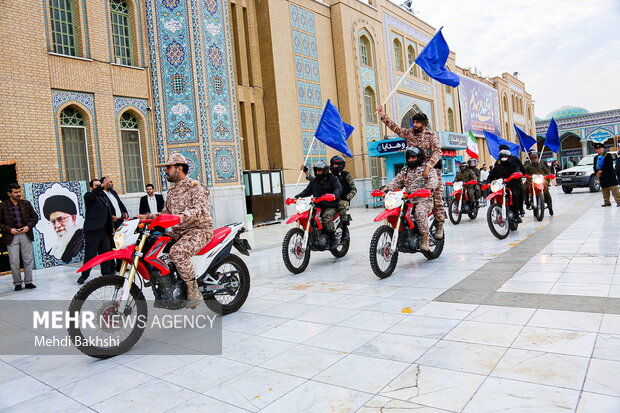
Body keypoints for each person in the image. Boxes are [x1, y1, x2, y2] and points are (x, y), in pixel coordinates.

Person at [148, 153, 213, 308]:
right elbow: (165, 214)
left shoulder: (195, 186)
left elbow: (199, 209)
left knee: (177, 252)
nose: (165, 171)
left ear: (179, 168)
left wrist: (181, 216)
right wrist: (147, 217)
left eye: (168, 167)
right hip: (178, 233)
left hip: (198, 230)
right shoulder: (171, 192)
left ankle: (193, 290)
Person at [377, 105, 445, 239]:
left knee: (436, 197)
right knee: (405, 197)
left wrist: (429, 166)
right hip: (413, 168)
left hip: (431, 170)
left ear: (424, 124)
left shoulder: (431, 135)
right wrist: (383, 115)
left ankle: (439, 223)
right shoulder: (409, 133)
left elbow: (438, 152)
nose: (415, 124)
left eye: (418, 122)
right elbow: (395, 128)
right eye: (413, 122)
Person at [384, 147, 437, 251]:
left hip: (424, 199)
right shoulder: (405, 170)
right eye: (409, 157)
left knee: (419, 212)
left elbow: (433, 179)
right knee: (395, 211)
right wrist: (387, 189)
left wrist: (429, 189)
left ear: (419, 157)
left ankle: (424, 238)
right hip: (408, 199)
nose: (411, 160)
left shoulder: (426, 168)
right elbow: (396, 181)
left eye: (413, 157)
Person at [0, 184, 39, 291]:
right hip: (11, 236)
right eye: (15, 192)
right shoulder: (3, 205)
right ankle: (17, 283)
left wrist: (28, 227)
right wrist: (10, 230)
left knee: (28, 260)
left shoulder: (26, 203)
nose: (18, 194)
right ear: (9, 194)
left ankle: (28, 282)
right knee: (14, 261)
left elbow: (35, 217)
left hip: (26, 234)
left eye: (19, 191)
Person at [296, 160, 342, 249]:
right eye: (316, 170)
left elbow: (338, 189)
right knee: (309, 216)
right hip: (317, 205)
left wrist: (334, 195)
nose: (318, 172)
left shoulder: (333, 178)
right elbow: (307, 191)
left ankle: (333, 238)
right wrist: (297, 197)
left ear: (325, 170)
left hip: (330, 205)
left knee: (326, 218)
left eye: (320, 170)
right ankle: (313, 236)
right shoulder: (314, 181)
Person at [79, 178, 115, 284]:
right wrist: (100, 187)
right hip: (93, 231)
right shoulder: (88, 196)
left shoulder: (104, 197)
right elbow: (92, 195)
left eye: (100, 185)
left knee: (106, 254)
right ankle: (84, 276)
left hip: (104, 231)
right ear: (91, 187)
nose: (99, 187)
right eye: (96, 185)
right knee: (90, 255)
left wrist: (111, 227)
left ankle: (106, 275)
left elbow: (109, 213)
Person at [43, 195, 84, 263]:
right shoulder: (53, 250)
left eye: (61, 219)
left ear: (73, 218)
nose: (57, 225)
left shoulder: (82, 240)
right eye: (53, 222)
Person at [489, 149, 525, 223]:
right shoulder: (497, 167)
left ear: (509, 157)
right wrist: (486, 182)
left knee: (515, 194)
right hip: (500, 185)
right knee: (491, 193)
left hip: (512, 184)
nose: (504, 158)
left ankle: (517, 213)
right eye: (502, 157)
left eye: (506, 156)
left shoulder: (514, 165)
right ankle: (495, 211)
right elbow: (491, 176)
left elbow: (518, 171)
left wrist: (515, 175)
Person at [329, 155, 356, 241]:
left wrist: (347, 197)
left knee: (341, 204)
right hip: (332, 199)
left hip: (343, 200)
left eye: (336, 165)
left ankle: (344, 229)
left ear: (341, 165)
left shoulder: (346, 175)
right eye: (333, 164)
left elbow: (354, 189)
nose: (334, 166)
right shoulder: (330, 176)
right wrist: (306, 173)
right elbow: (316, 180)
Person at [523, 150, 554, 215]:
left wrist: (549, 175)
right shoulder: (528, 165)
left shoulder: (541, 165)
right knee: (525, 189)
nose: (534, 159)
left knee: (547, 194)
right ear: (531, 159)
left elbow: (547, 171)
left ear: (537, 157)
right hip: (530, 181)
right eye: (532, 158)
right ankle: (527, 203)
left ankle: (550, 208)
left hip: (541, 181)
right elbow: (524, 172)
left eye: (535, 157)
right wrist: (524, 175)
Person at [593, 143, 620, 207]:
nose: (598, 150)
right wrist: (597, 172)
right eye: (597, 149)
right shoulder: (595, 158)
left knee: (614, 189)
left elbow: (609, 165)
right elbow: (595, 166)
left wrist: (601, 171)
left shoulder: (608, 155)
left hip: (610, 175)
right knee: (604, 190)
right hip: (602, 177)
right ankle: (607, 202)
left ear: (603, 149)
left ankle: (618, 201)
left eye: (599, 148)